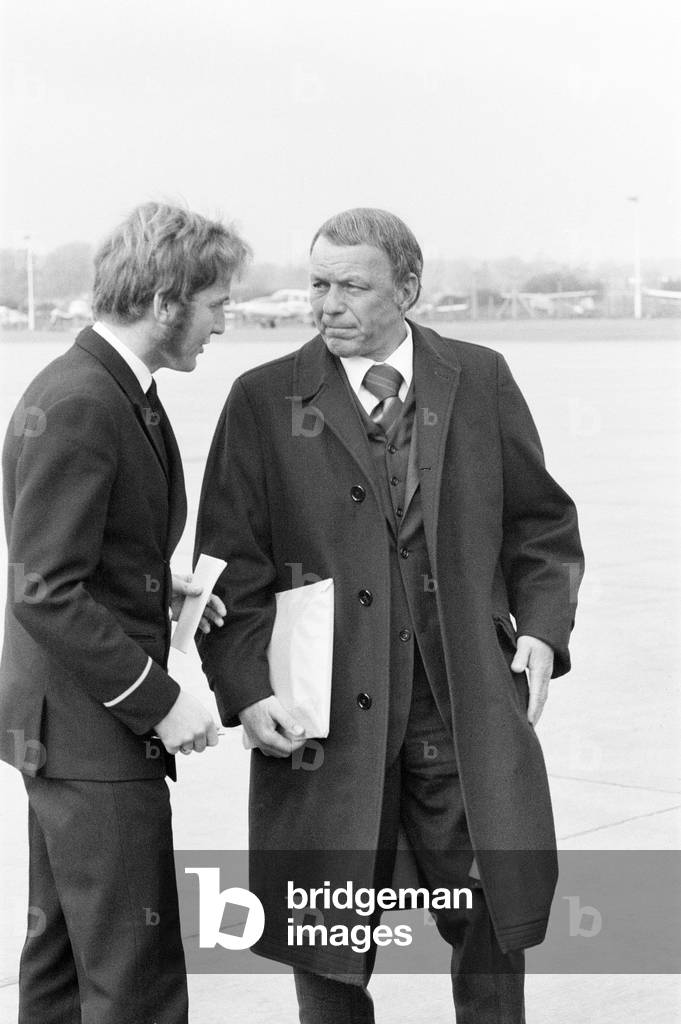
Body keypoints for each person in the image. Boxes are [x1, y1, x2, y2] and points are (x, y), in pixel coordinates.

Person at [195, 207, 584, 1023]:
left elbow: (539, 525)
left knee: (488, 929)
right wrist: (245, 689)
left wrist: (542, 629)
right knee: (325, 939)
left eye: (351, 286)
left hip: (458, 713)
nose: (326, 304)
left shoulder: (479, 380)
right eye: (318, 284)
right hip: (324, 726)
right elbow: (231, 570)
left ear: (407, 288)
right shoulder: (263, 401)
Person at [0, 202, 250, 1024]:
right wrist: (161, 700)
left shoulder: (114, 387)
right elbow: (43, 588)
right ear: (166, 301)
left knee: (66, 966)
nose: (224, 319)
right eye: (215, 302)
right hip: (90, 733)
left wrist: (153, 584)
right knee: (132, 982)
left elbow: (79, 560)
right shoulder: (82, 401)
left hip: (67, 731)